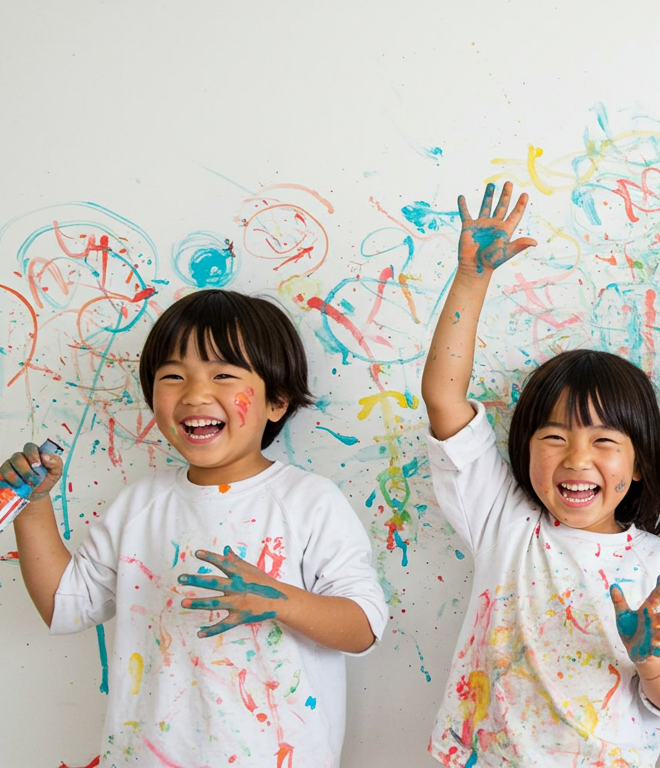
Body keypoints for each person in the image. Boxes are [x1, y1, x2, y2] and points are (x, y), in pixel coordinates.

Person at [3, 289, 389, 766]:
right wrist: (33, 505)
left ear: (277, 401)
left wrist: (278, 599)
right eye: (173, 376)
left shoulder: (307, 501)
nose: (194, 393)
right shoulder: (140, 504)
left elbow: (364, 628)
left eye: (223, 374)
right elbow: (66, 607)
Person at [420, 181, 660, 767]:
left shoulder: (657, 568)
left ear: (641, 461)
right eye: (554, 438)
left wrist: (649, 657)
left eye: (604, 441)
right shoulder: (506, 523)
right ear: (524, 450)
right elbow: (444, 398)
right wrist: (472, 280)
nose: (576, 460)